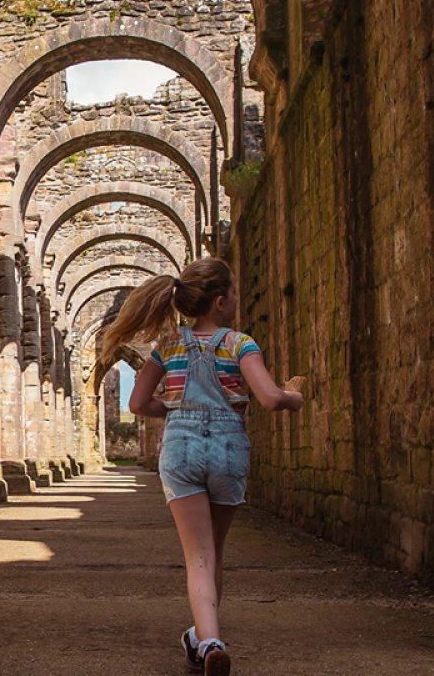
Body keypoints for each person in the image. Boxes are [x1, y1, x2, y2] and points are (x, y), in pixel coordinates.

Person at [101, 257, 303, 676]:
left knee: (198, 557)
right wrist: (293, 397)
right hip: (229, 449)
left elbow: (137, 404)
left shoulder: (168, 346)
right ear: (220, 302)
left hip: (181, 449)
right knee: (215, 553)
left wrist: (177, 408)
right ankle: (205, 636)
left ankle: (207, 640)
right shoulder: (239, 343)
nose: (236, 301)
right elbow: (269, 398)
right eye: (234, 295)